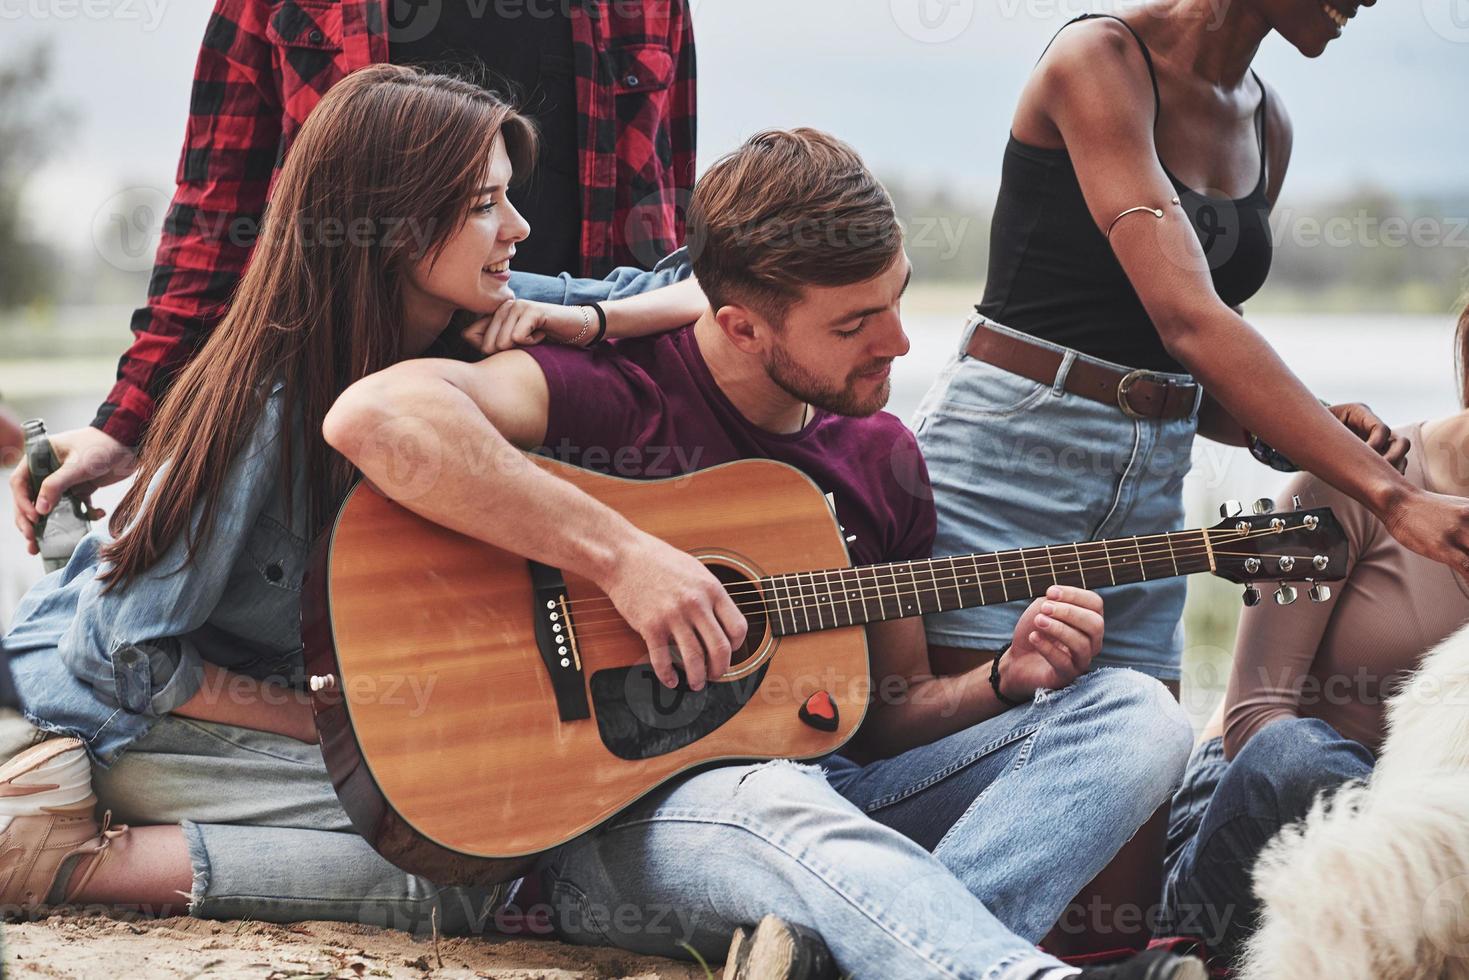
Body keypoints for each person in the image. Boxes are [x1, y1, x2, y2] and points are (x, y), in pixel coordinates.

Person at [324, 127, 1202, 980]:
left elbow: (892, 714)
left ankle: (895, 952)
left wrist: (1004, 683)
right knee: (778, 795)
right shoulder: (618, 394)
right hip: (635, 833)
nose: (896, 342)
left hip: (837, 810)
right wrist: (625, 559)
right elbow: (377, 418)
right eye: (855, 322)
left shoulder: (882, 458)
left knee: (1137, 713)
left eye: (897, 296)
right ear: (740, 328)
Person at [0, 64, 702, 932]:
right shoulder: (270, 402)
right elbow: (124, 656)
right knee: (457, 859)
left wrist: (591, 322)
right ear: (396, 229)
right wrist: (345, 726)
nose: (518, 229)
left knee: (489, 814)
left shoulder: (490, 311)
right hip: (132, 715)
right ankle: (67, 857)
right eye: (486, 205)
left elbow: (709, 288)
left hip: (242, 691)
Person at [911, 0, 1469, 693]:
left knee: (1142, 770)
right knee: (970, 749)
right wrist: (1392, 497)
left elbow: (1201, 366)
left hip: (1150, 497)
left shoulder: (1268, 123)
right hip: (1009, 463)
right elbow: (1189, 318)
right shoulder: (1097, 61)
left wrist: (1308, 427)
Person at [7, 0, 695, 532]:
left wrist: (616, 343)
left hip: (574, 403)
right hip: (348, 419)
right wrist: (125, 426)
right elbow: (214, 224)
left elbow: (670, 222)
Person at [1159, 300, 1469, 963]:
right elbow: (1251, 718)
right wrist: (1409, 834)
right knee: (1295, 751)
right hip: (1254, 827)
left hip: (1439, 878)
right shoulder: (1355, 474)